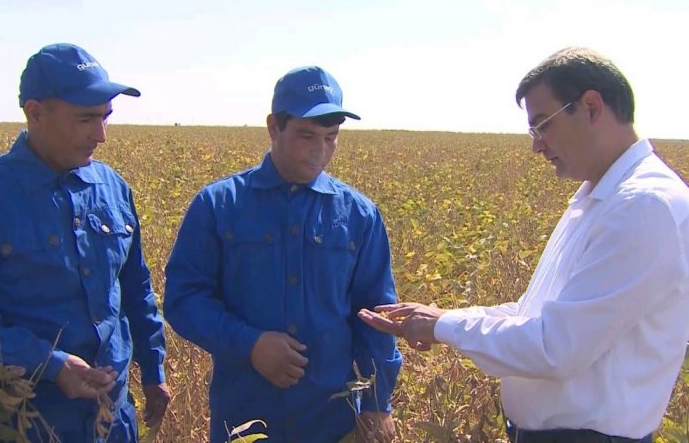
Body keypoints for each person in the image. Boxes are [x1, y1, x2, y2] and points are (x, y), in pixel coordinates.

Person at [359, 47, 689, 442]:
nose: (536, 145)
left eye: (542, 125)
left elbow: (555, 347)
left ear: (591, 107)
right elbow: (533, 315)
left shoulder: (643, 206)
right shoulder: (599, 198)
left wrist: (444, 326)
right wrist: (440, 318)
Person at [164, 66, 402, 442]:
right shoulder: (218, 205)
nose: (320, 151)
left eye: (331, 137)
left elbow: (376, 316)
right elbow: (184, 300)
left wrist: (377, 402)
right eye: (307, 136)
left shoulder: (359, 215)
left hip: (331, 423)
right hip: (244, 420)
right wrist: (251, 344)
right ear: (274, 127)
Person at [0, 43, 170, 442]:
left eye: (106, 117)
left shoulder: (112, 188)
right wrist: (49, 364)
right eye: (86, 119)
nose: (101, 135)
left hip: (113, 420)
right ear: (35, 113)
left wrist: (153, 369)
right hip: (27, 421)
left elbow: (136, 288)